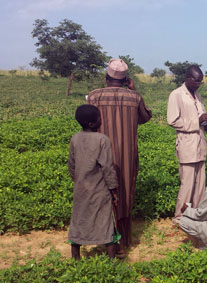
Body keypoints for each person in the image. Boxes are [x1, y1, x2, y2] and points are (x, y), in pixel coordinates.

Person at [87, 59, 152, 253]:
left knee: (103, 193)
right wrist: (133, 89)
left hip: (100, 155)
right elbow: (145, 118)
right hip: (127, 156)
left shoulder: (93, 97)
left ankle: (106, 239)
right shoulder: (134, 97)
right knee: (125, 192)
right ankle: (123, 241)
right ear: (125, 80)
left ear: (106, 77)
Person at [68, 105, 119, 260]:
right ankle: (111, 259)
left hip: (81, 187)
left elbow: (72, 164)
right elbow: (107, 167)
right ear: (92, 123)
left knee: (78, 218)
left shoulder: (75, 138)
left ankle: (75, 256)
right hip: (99, 189)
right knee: (105, 220)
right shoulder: (102, 139)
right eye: (99, 118)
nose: (101, 120)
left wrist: (78, 180)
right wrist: (113, 189)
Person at [167, 65, 207, 224]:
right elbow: (172, 120)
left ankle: (196, 215)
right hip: (187, 144)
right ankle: (180, 217)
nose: (199, 84)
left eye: (201, 81)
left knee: (200, 185)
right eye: (196, 81)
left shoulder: (197, 96)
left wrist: (206, 122)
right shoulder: (177, 95)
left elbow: (200, 118)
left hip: (200, 144)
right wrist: (196, 122)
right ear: (188, 78)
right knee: (187, 185)